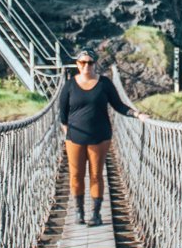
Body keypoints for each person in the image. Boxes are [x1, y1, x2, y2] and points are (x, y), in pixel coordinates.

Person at [59, 49, 147, 226]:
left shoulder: (104, 83)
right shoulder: (69, 85)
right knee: (76, 175)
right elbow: (63, 115)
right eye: (82, 62)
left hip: (100, 137)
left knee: (96, 174)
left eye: (90, 62)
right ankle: (79, 211)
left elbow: (119, 105)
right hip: (75, 138)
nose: (86, 66)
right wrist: (68, 134)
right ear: (77, 64)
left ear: (95, 64)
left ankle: (96, 214)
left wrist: (137, 115)